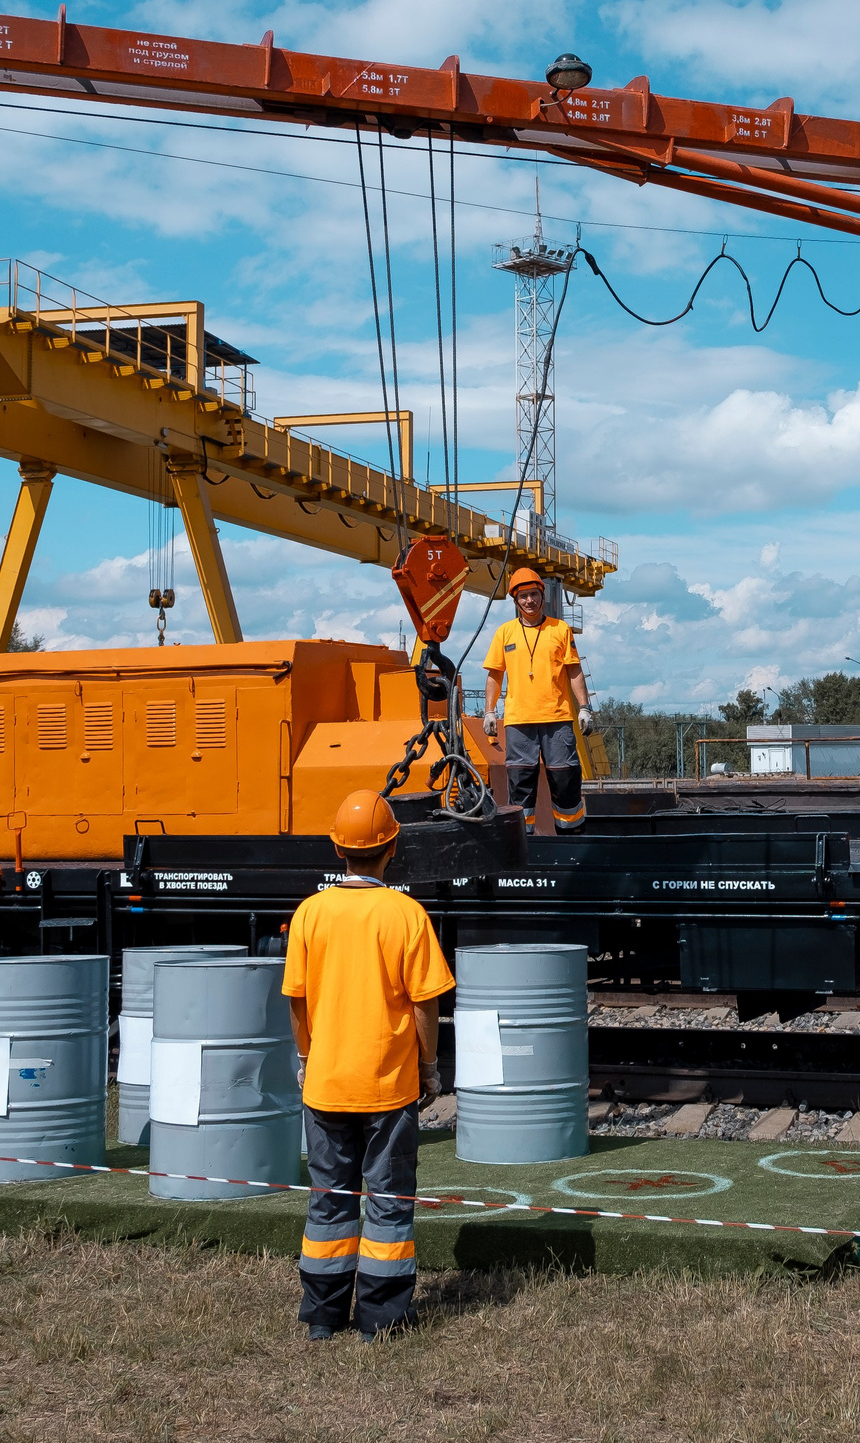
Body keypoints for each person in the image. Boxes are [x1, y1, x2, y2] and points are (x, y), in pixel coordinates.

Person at [282, 789, 456, 1343]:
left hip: (327, 1084)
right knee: (387, 1203)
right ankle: (380, 1320)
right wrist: (429, 1068)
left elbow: (297, 999)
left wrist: (308, 1058)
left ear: (338, 850)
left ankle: (323, 1318)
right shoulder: (406, 915)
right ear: (392, 849)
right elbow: (425, 1002)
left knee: (328, 1203)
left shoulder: (310, 913)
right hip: (389, 1088)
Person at [480, 565, 593, 832]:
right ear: (515, 601)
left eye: (533, 594)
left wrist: (585, 707)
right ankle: (523, 842)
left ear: (542, 596)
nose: (529, 601)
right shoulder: (504, 633)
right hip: (519, 722)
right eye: (523, 597)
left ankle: (572, 839)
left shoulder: (560, 630)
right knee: (520, 786)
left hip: (558, 719)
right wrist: (489, 712)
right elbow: (494, 675)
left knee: (565, 781)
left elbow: (573, 669)